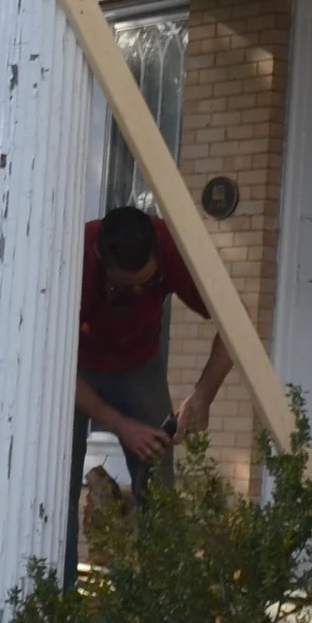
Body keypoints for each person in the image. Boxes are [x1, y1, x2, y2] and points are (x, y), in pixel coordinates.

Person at [71, 203, 232, 553]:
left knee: (159, 489)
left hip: (139, 365)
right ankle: (58, 595)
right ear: (101, 257)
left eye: (149, 283)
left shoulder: (171, 247)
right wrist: (120, 425)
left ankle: (162, 600)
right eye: (129, 287)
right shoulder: (73, 255)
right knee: (58, 485)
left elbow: (238, 325)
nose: (142, 293)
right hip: (73, 367)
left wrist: (203, 394)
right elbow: (51, 360)